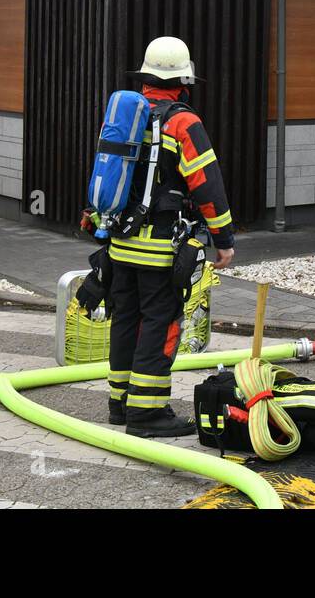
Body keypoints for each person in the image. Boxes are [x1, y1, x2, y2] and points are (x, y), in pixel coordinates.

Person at [107, 37, 236, 436]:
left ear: (146, 76)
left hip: (119, 242)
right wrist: (223, 239)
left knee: (125, 319)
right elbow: (207, 185)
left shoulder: (129, 114)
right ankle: (147, 415)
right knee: (160, 324)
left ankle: (120, 403)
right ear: (183, 79)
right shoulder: (183, 122)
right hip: (159, 248)